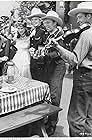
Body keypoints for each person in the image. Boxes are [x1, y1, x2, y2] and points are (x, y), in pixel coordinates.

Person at [51, 2, 92, 137]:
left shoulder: (87, 34)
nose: (78, 21)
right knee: (90, 116)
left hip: (84, 78)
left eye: (80, 17)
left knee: (76, 118)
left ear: (89, 17)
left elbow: (74, 59)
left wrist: (58, 47)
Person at [41, 10, 66, 136]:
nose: (46, 25)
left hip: (58, 67)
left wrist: (44, 54)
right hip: (49, 66)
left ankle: (52, 124)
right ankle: (48, 120)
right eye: (45, 23)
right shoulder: (48, 35)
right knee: (48, 95)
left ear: (55, 23)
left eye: (49, 22)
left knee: (55, 96)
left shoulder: (61, 34)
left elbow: (60, 53)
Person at [27, 8, 47, 82]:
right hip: (33, 58)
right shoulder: (33, 30)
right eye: (32, 20)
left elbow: (44, 44)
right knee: (34, 77)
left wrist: (36, 52)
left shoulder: (43, 30)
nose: (34, 21)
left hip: (40, 59)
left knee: (40, 79)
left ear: (40, 20)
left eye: (36, 19)